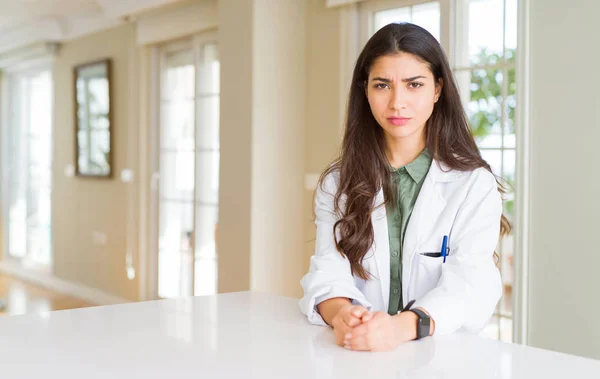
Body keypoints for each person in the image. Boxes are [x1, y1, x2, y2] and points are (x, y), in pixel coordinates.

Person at [299, 23, 511, 352]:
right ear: (365, 91)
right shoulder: (338, 183)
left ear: (438, 89)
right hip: (358, 355)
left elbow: (470, 285)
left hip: (443, 358)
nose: (398, 102)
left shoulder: (472, 184)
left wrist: (400, 328)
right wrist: (343, 315)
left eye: (414, 84)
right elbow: (328, 272)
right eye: (382, 85)